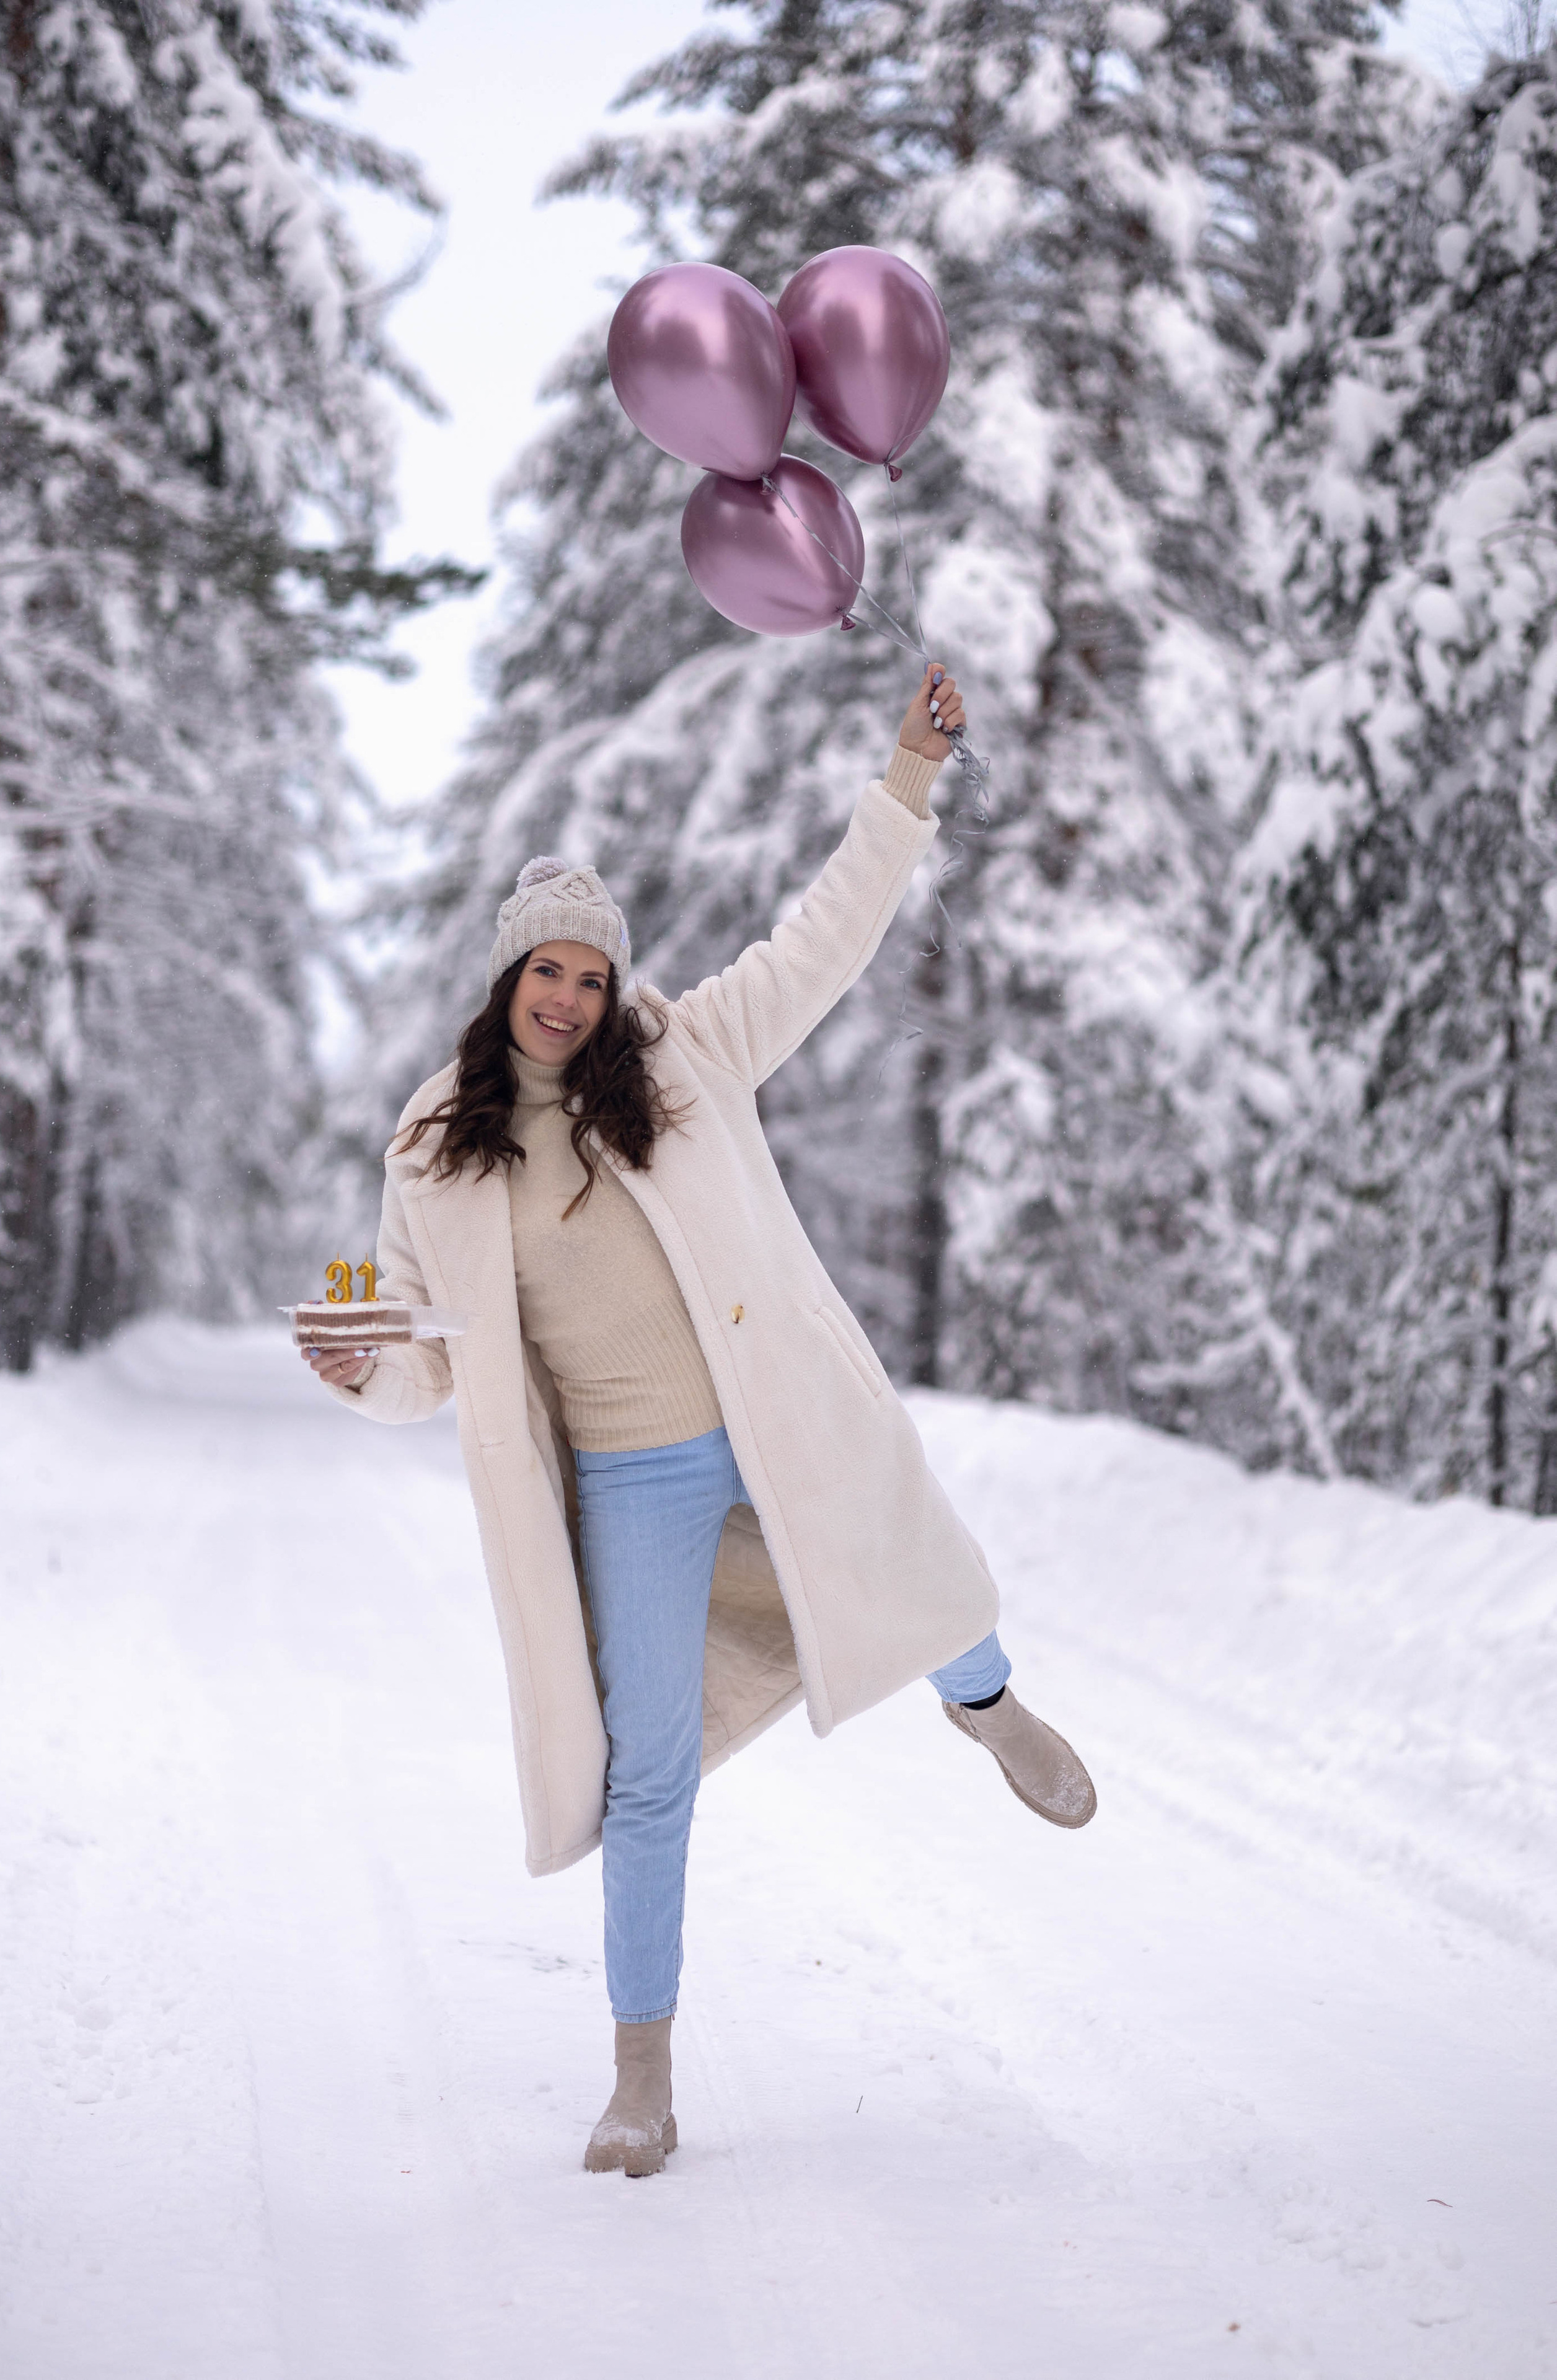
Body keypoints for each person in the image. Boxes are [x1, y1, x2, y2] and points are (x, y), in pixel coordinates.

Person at [304, 665, 1096, 2179]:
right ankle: (641, 2078)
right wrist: (367, 1371)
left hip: (773, 1405)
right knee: (645, 1768)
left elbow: (824, 936)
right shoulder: (433, 1144)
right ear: (505, 979)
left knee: (920, 1579)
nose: (568, 999)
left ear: (613, 990)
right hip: (630, 1477)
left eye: (590, 978)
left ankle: (991, 1711)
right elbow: (429, 1351)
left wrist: (905, 775)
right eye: (546, 972)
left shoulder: (688, 1054)